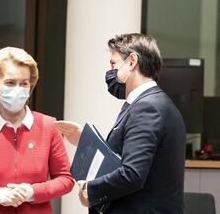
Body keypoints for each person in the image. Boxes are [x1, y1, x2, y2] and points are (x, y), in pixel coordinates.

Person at [54, 33, 186, 214]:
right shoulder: (152, 103)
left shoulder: (147, 108)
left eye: (113, 64)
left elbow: (132, 174)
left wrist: (90, 190)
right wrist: (85, 140)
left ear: (132, 62)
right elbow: (125, 155)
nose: (110, 72)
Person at [0, 47, 74, 214]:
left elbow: (66, 179)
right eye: (10, 83)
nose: (18, 89)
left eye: (24, 83)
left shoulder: (48, 125)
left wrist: (33, 192)